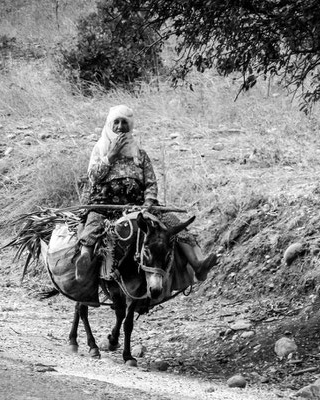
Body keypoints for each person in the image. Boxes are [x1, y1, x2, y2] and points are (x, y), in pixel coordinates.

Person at [75, 104, 218, 306]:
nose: (120, 126)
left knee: (173, 223)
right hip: (105, 204)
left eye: (124, 122)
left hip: (138, 206)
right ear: (109, 125)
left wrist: (148, 202)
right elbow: (93, 177)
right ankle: (84, 262)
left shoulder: (140, 154)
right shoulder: (100, 149)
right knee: (93, 226)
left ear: (130, 126)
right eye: (116, 122)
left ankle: (197, 263)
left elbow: (150, 183)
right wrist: (111, 156)